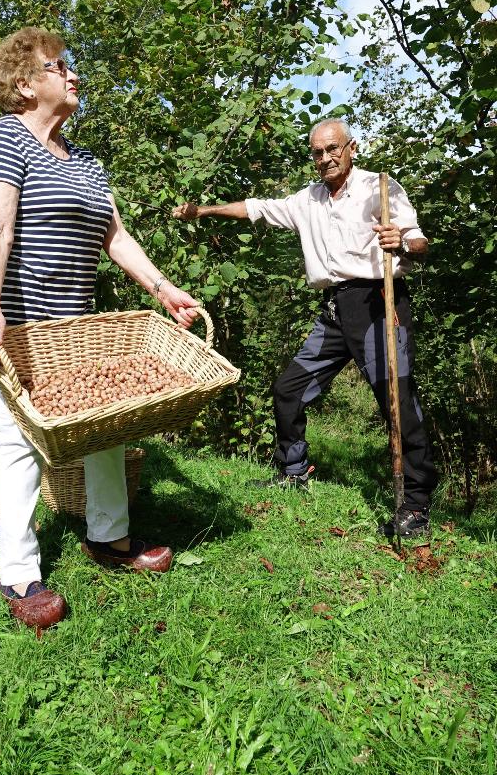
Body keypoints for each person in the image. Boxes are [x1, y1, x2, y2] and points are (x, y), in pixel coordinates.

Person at [0, 27, 199, 629]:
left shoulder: (85, 161)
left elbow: (115, 237)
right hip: (13, 316)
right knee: (18, 435)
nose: (73, 75)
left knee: (107, 424)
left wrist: (164, 289)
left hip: (73, 322)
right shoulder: (3, 138)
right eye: (58, 67)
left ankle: (108, 537)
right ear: (24, 84)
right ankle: (18, 573)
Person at [173, 118, 437, 538]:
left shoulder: (379, 188)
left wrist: (401, 242)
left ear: (351, 148)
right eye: (318, 152)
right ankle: (293, 471)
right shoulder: (307, 200)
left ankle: (416, 505)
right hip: (336, 309)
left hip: (378, 304)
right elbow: (255, 208)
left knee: (397, 402)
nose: (326, 158)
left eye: (333, 149)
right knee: (289, 389)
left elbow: (419, 243)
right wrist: (202, 211)